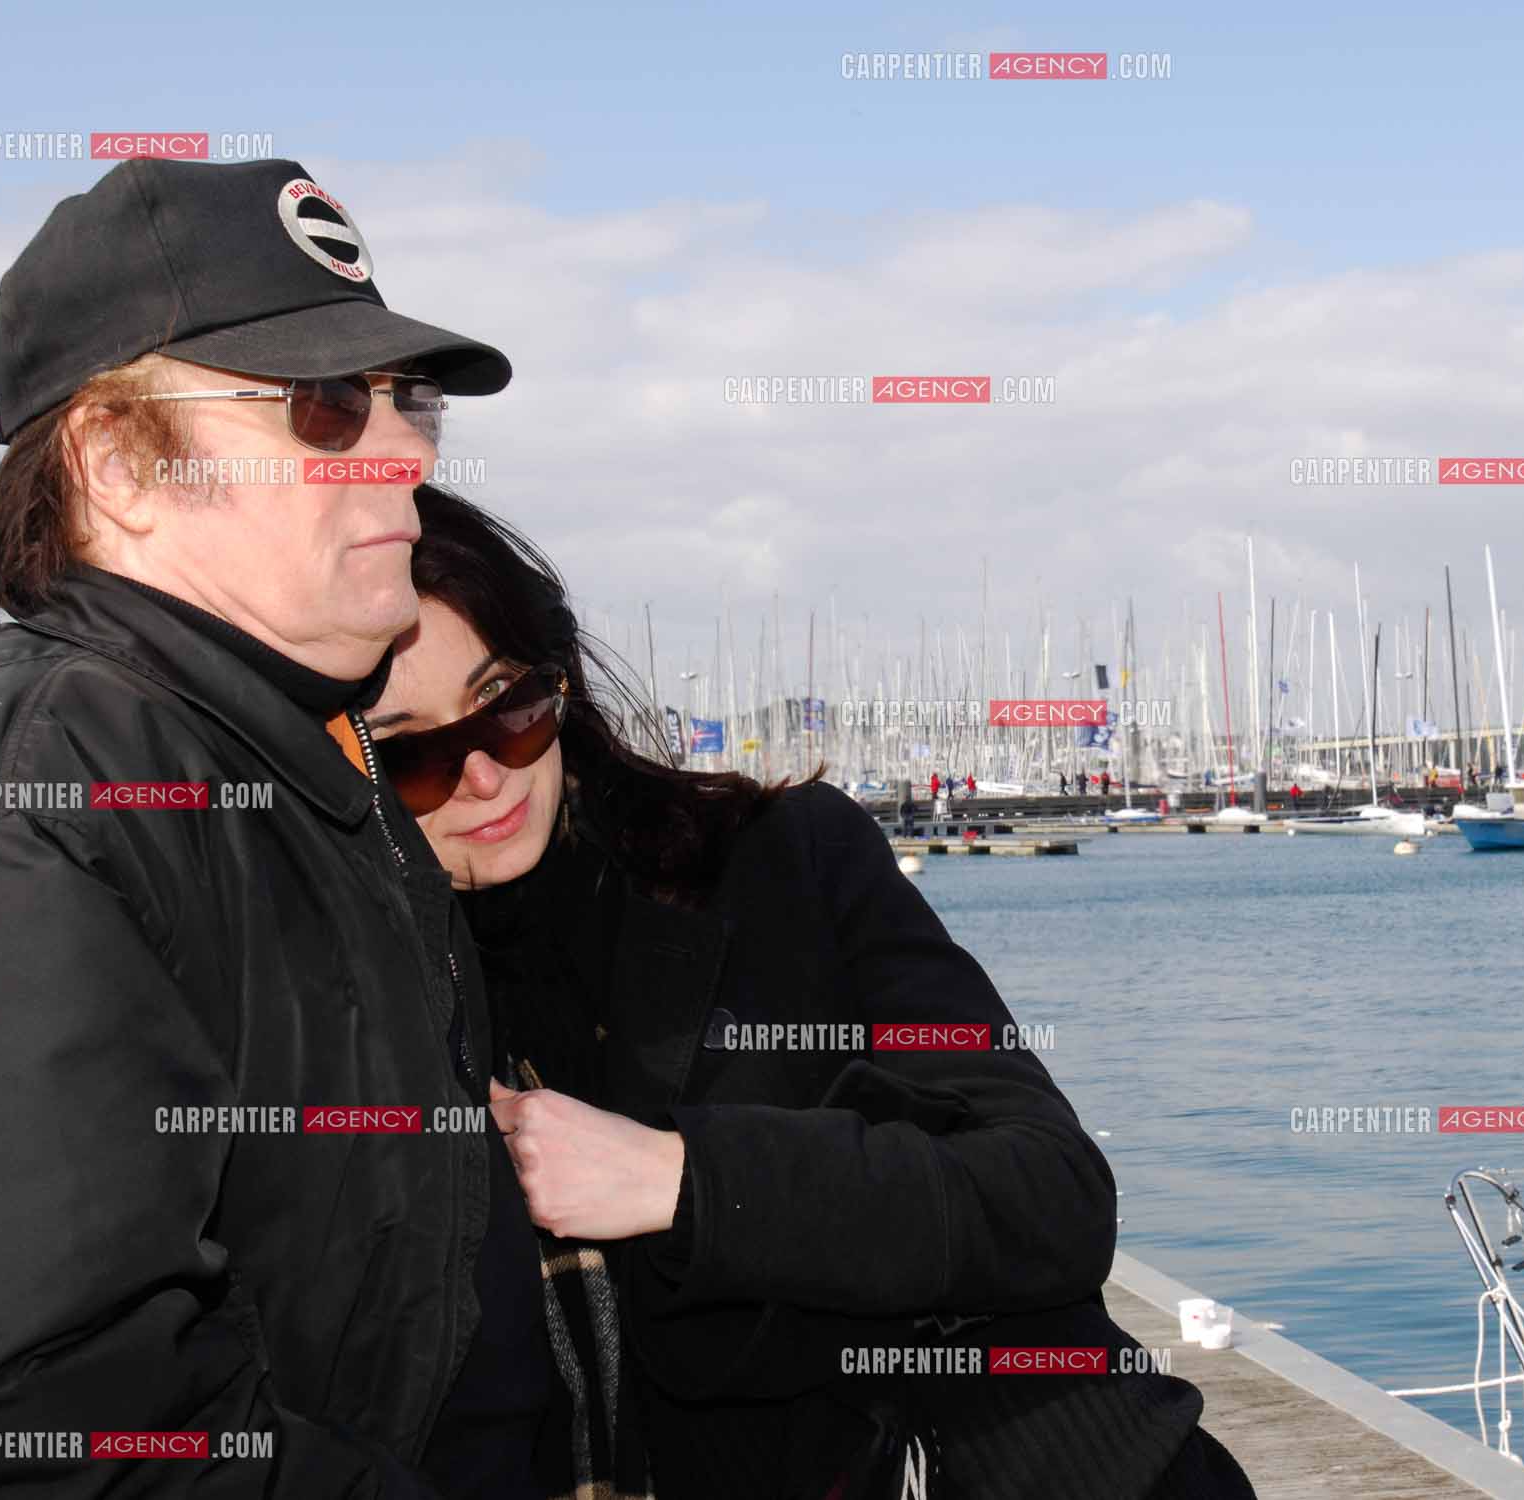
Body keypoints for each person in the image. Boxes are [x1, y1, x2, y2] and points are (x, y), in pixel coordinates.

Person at [362, 486, 1257, 1499]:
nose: (484, 775)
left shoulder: (781, 859)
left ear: (558, 678)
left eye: (509, 705)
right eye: (411, 754)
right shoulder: (360, 998)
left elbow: (1051, 1198)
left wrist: (686, 1182)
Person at [0, 161, 537, 1496]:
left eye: (408, 403)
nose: (410, 452)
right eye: (326, 406)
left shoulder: (288, 757)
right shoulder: (29, 807)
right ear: (119, 464)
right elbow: (24, 1441)